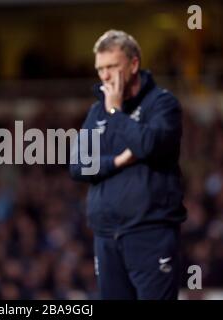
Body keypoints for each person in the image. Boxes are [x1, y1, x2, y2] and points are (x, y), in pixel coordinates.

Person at [70, 30, 187, 300]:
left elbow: (148, 145)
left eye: (112, 66)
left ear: (133, 64)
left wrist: (115, 112)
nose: (105, 76)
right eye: (100, 69)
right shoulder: (96, 111)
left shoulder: (162, 104)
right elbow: (77, 166)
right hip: (106, 235)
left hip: (150, 232)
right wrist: (119, 160)